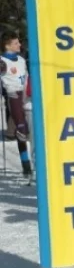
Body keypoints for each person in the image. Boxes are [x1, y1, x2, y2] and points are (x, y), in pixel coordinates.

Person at [0, 31, 32, 180]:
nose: (19, 44)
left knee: (32, 129)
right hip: (14, 96)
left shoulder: (20, 59)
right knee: (21, 130)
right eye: (16, 43)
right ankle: (26, 166)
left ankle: (37, 161)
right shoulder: (2, 61)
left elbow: (26, 76)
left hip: (27, 95)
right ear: (7, 45)